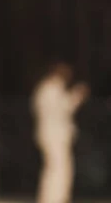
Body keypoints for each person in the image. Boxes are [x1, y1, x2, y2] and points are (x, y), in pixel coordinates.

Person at [32, 62, 89, 203]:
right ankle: (54, 199)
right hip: (54, 136)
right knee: (59, 169)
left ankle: (52, 198)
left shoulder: (46, 88)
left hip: (52, 135)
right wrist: (77, 96)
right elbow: (64, 108)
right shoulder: (51, 89)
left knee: (55, 168)